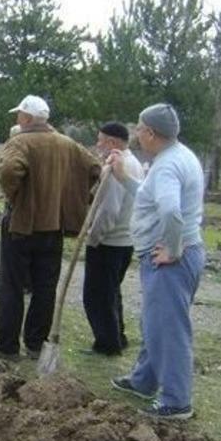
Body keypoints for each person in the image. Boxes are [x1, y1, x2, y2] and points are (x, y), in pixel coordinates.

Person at [108, 103, 205, 420]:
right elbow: (151, 198)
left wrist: (173, 250)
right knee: (156, 323)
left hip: (172, 260)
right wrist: (123, 178)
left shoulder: (166, 166)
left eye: (138, 127)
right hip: (178, 254)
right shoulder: (179, 156)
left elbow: (170, 212)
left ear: (150, 133)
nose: (135, 132)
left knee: (168, 329)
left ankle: (177, 402)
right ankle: (143, 381)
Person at [0, 95, 100, 361]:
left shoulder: (21, 141)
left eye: (19, 115)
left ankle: (7, 347)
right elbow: (96, 169)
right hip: (55, 227)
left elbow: (9, 172)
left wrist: (15, 196)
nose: (17, 119)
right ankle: (36, 344)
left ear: (26, 118)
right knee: (45, 287)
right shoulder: (67, 144)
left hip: (22, 225)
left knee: (11, 285)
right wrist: (82, 199)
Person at [82, 122, 143, 356]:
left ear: (113, 142)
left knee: (97, 296)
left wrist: (93, 238)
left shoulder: (118, 168)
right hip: (124, 241)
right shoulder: (133, 163)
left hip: (109, 242)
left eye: (101, 140)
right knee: (112, 292)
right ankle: (118, 335)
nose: (98, 145)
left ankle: (107, 344)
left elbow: (108, 210)